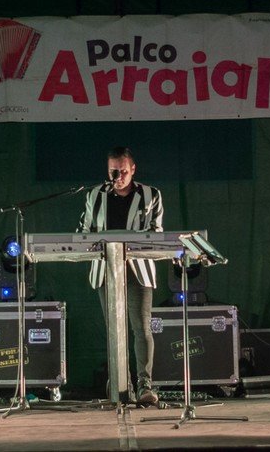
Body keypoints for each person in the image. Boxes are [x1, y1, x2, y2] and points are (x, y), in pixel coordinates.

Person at [77, 147, 163, 406]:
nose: (118, 176)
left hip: (139, 270)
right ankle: (122, 385)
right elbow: (83, 232)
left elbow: (157, 234)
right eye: (113, 171)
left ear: (133, 169)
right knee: (114, 330)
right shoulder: (95, 195)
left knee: (141, 328)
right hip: (106, 271)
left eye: (123, 171)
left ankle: (145, 384)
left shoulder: (150, 194)